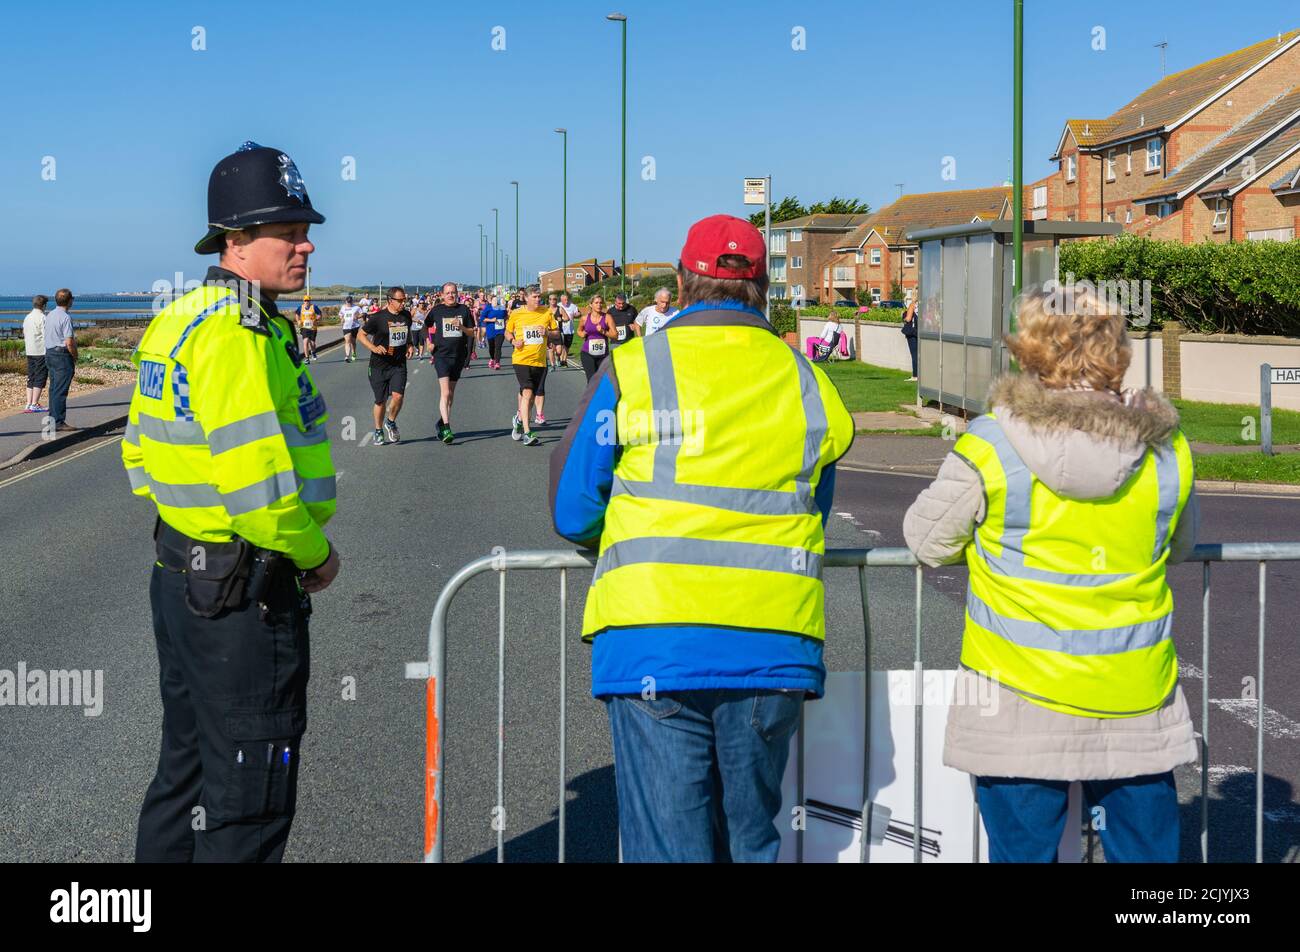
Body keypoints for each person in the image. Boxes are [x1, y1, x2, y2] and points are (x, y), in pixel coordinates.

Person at [549, 214, 854, 862]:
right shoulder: (806, 381)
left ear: (683, 281)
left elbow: (573, 510)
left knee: (670, 849)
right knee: (750, 842)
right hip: (771, 645)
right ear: (764, 285)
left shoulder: (633, 370)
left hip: (653, 638)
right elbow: (814, 509)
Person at [902, 287, 1199, 863]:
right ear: (1116, 352)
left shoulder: (990, 443)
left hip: (1017, 704)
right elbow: (1179, 546)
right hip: (1134, 699)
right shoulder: (1167, 450)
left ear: (1028, 351)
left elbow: (926, 541)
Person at [123, 141, 339, 863]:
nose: (305, 246)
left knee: (182, 777)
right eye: (288, 233)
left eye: (306, 232)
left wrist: (188, 526)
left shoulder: (179, 319)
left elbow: (136, 455)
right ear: (237, 241)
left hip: (181, 578)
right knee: (248, 804)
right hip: (245, 594)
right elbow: (257, 496)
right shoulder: (240, 335)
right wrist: (316, 553)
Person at [505, 286, 560, 445]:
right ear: (527, 298)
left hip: (540, 361)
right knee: (527, 392)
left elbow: (556, 333)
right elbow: (508, 332)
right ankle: (528, 433)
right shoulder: (516, 313)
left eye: (539, 297)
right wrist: (513, 341)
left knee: (529, 398)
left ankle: (519, 420)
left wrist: (547, 333)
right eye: (535, 297)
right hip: (521, 359)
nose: (538, 299)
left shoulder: (547, 312)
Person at [358, 287, 412, 445]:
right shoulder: (378, 318)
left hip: (398, 364)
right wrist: (373, 348)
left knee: (398, 396)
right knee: (380, 401)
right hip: (379, 365)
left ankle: (391, 422)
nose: (403, 303)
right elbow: (361, 335)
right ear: (390, 301)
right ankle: (378, 430)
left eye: (404, 300)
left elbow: (406, 333)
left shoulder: (406, 315)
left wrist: (409, 345)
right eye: (400, 300)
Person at [426, 281, 475, 443]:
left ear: (457, 293)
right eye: (447, 292)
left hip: (458, 355)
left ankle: (441, 421)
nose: (451, 295)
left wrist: (461, 326)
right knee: (445, 392)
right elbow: (425, 327)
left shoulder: (464, 310)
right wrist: (428, 341)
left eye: (453, 292)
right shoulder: (437, 310)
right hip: (441, 355)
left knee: (451, 394)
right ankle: (447, 428)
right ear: (442, 295)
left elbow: (471, 332)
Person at [43, 289, 79, 432]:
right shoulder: (65, 317)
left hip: (50, 353)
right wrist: (75, 355)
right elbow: (69, 341)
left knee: (54, 389)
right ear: (70, 300)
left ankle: (53, 420)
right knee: (60, 390)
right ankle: (58, 422)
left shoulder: (50, 314)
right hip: (61, 355)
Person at [576, 294, 616, 383]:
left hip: (603, 355)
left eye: (601, 303)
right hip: (587, 353)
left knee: (603, 381)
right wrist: (582, 334)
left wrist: (603, 332)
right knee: (592, 380)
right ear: (591, 304)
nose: (599, 305)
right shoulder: (585, 318)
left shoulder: (607, 317)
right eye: (596, 303)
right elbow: (579, 331)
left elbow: (615, 335)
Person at [23, 294, 49, 413]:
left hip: (29, 350)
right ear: (43, 305)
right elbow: (46, 336)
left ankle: (28, 403)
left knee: (31, 376)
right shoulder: (43, 317)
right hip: (40, 351)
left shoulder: (27, 317)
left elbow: (24, 333)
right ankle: (34, 404)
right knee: (40, 376)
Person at [295, 295, 321, 361]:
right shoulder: (300, 307)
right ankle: (307, 358)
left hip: (313, 328)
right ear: (303, 301)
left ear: (310, 301)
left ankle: (313, 352)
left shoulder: (314, 307)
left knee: (312, 343)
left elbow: (319, 314)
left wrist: (316, 319)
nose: (306, 302)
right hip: (304, 327)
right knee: (305, 342)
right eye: (305, 300)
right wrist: (298, 321)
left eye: (308, 300)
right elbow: (297, 314)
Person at [558, 292, 579, 367]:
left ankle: (564, 360)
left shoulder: (573, 306)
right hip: (560, 329)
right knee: (561, 346)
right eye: (564, 300)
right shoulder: (558, 306)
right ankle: (561, 359)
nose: (566, 301)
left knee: (567, 346)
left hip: (570, 329)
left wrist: (575, 315)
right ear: (561, 300)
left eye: (567, 300)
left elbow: (578, 313)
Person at [339, 295, 362, 363]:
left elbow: (363, 313)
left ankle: (354, 353)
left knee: (353, 342)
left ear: (352, 301)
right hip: (346, 326)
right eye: (347, 302)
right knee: (347, 341)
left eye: (350, 302)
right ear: (346, 301)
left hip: (354, 326)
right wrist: (342, 318)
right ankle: (347, 356)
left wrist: (357, 316)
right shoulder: (343, 307)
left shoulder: (356, 307)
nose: (348, 303)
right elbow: (340, 314)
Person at [901, 296, 918, 380]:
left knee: (914, 354)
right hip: (920, 332)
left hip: (912, 333)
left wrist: (903, 317)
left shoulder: (913, 305)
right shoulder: (924, 305)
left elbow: (908, 319)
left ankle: (915, 375)